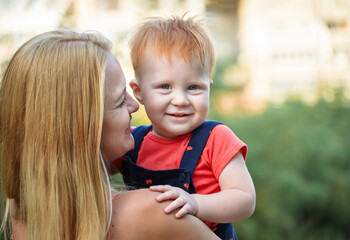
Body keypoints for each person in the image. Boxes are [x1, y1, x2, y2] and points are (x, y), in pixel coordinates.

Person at [0, 30, 220, 240]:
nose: (134, 104)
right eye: (120, 101)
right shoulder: (152, 213)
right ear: (83, 127)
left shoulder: (23, 213)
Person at [112, 15, 256, 240]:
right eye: (165, 86)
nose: (180, 100)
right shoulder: (131, 143)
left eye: (193, 87)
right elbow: (87, 169)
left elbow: (244, 199)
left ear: (208, 88)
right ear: (138, 92)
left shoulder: (216, 138)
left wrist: (195, 203)